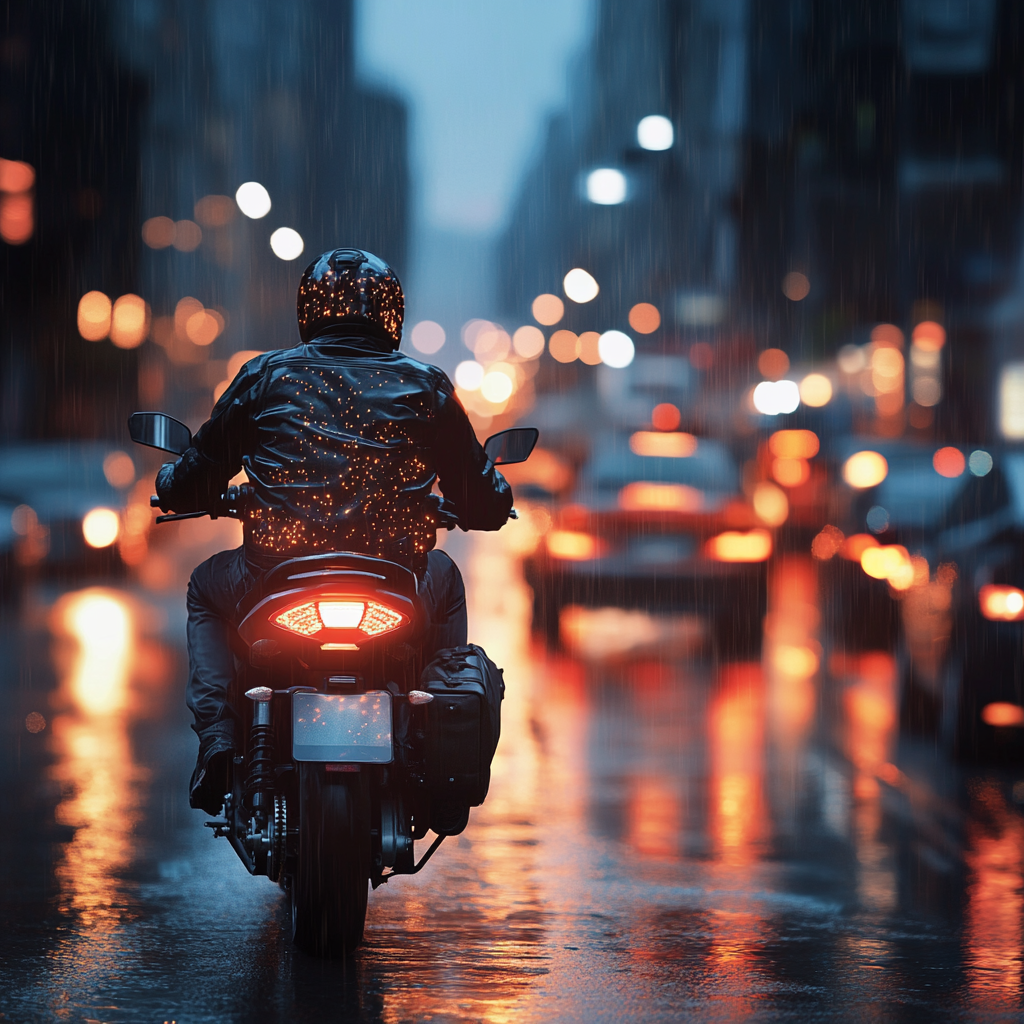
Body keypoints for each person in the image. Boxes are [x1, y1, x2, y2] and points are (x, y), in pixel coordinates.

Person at [155, 248, 512, 814]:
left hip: (275, 578)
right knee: (446, 575)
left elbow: (194, 477)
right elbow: (483, 499)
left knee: (206, 585)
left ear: (309, 311)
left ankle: (220, 739)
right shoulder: (427, 385)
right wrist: (482, 502)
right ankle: (435, 735)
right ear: (391, 314)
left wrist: (173, 483)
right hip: (396, 581)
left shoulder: (265, 375)